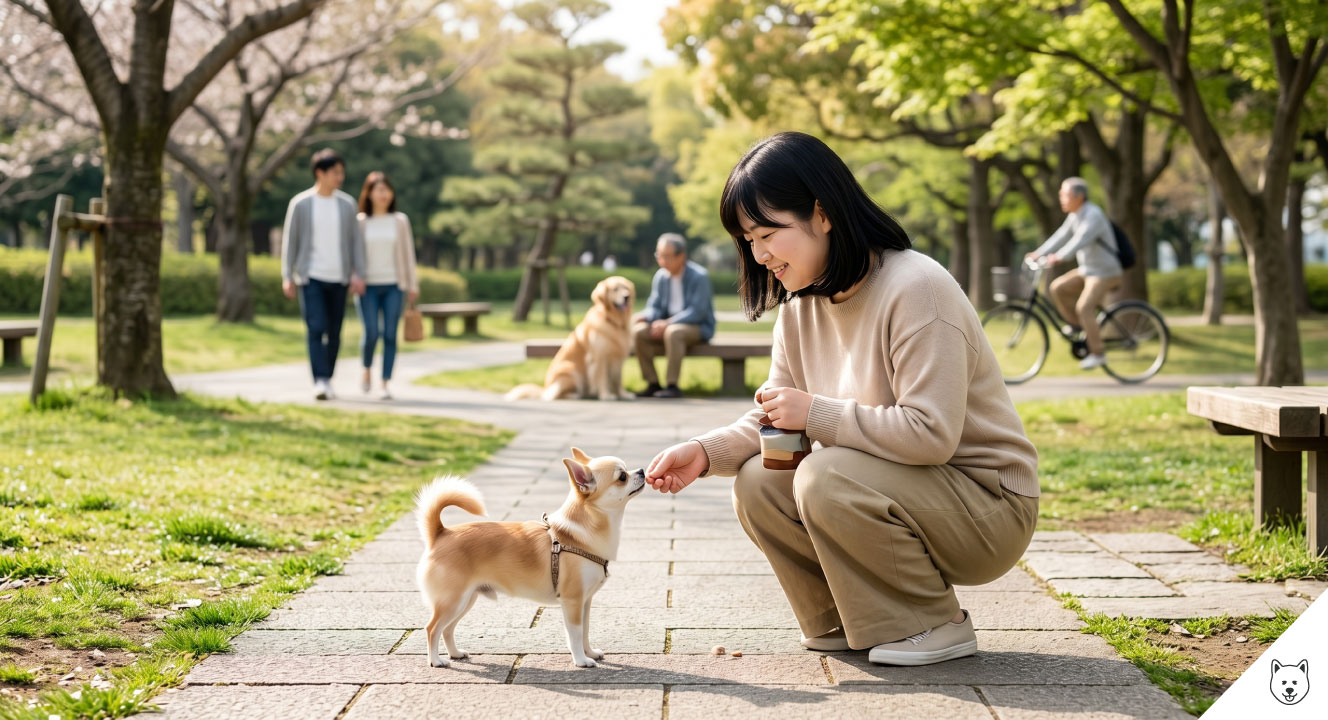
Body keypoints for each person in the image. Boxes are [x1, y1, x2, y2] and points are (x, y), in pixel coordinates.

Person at [644, 132, 1039, 667]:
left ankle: (932, 621)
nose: (759, 255)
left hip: (986, 507)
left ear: (822, 214)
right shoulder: (799, 307)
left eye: (768, 234)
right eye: (748, 240)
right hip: (905, 490)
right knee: (760, 478)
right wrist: (705, 451)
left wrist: (817, 414)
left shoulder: (916, 287)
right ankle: (844, 618)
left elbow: (931, 434)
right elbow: (778, 416)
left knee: (821, 474)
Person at [282, 149, 366, 401]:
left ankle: (327, 377)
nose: (340, 177)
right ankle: (319, 380)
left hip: (339, 278)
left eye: (341, 172)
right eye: (335, 172)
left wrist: (358, 273)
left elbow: (355, 243)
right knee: (316, 327)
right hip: (311, 277)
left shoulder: (347, 204)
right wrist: (287, 275)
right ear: (320, 173)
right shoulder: (301, 204)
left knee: (335, 330)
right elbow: (291, 241)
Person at [1026, 177, 1123, 370]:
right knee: (1058, 288)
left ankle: (1098, 353)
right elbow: (1061, 236)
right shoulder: (1075, 215)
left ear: (1079, 197)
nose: (1061, 197)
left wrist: (1059, 257)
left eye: (1064, 194)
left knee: (1084, 307)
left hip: (1105, 272)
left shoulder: (1093, 215)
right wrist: (1039, 253)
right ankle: (1080, 327)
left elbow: (1080, 240)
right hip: (1088, 270)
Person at [356, 171, 419, 401]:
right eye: (379, 190)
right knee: (372, 332)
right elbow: (354, 255)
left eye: (387, 189)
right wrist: (355, 277)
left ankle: (384, 383)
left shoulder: (400, 221)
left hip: (395, 284)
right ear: (369, 193)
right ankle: (366, 368)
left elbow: (408, 254)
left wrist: (412, 284)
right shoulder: (361, 222)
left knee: (390, 334)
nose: (384, 194)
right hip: (367, 286)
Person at [631, 233, 716, 398]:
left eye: (667, 256)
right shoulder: (661, 277)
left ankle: (672, 385)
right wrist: (645, 316)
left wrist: (668, 323)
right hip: (667, 325)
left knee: (674, 331)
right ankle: (652, 383)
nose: (662, 261)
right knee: (639, 331)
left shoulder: (699, 276)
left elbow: (697, 311)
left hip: (697, 327)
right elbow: (654, 306)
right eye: (659, 255)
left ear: (681, 256)